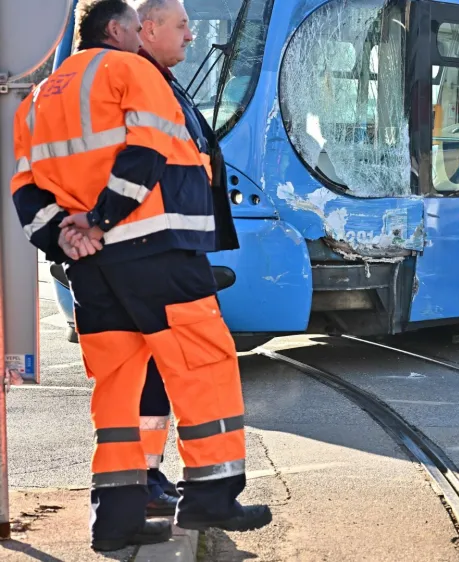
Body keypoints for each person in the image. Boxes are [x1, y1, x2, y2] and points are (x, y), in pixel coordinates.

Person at [8, 0, 270, 552]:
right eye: (136, 29)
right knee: (204, 365)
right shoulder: (131, 70)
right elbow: (147, 152)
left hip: (91, 269)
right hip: (158, 253)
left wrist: (68, 235)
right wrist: (101, 218)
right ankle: (212, 496)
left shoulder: (35, 100)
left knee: (117, 392)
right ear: (118, 30)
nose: (142, 39)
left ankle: (117, 520)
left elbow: (25, 191)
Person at [130, 0, 242, 516]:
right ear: (147, 29)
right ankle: (172, 485)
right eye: (182, 25)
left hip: (170, 244)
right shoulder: (142, 80)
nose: (192, 36)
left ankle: (146, 478)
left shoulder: (159, 79)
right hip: (158, 248)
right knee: (185, 366)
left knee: (159, 368)